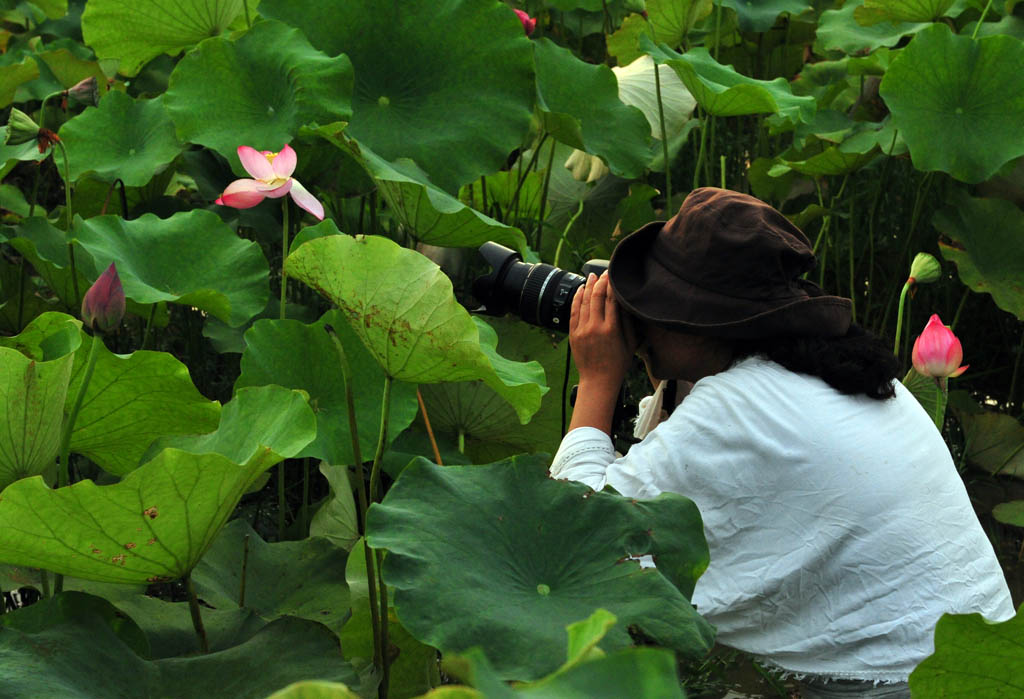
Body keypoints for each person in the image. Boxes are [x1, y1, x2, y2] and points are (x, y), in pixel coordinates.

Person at [549, 188, 1015, 697]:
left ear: (705, 322)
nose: (641, 319)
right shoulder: (836, 369)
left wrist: (598, 377)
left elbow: (577, 541)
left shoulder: (735, 407)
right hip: (975, 668)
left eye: (658, 305)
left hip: (902, 687)